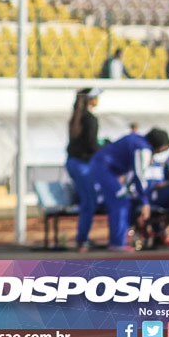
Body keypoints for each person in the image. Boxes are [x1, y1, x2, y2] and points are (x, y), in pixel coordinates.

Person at [89, 127, 169, 251]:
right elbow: (139, 174)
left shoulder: (136, 139)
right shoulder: (143, 148)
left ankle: (118, 241)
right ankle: (117, 243)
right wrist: (145, 202)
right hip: (104, 168)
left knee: (121, 200)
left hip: (105, 167)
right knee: (121, 201)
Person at [65, 88, 101, 252]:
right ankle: (82, 239)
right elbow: (91, 144)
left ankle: (83, 237)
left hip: (73, 163)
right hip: (82, 165)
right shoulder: (90, 119)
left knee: (87, 201)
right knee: (89, 202)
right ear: (90, 100)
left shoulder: (76, 118)